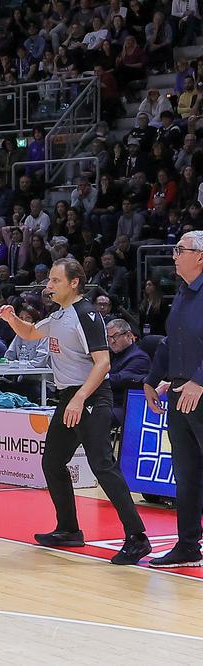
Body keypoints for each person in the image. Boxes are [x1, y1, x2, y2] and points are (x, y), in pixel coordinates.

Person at [0, 259, 151, 565]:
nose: (48, 286)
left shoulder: (87, 315)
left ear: (74, 283)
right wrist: (11, 318)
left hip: (92, 396)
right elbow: (30, 333)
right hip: (70, 396)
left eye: (55, 281)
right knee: (53, 462)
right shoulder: (59, 315)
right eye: (49, 281)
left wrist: (81, 398)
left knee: (102, 466)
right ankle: (69, 529)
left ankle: (137, 538)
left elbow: (104, 363)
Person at [143, 231, 203, 567]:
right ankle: (188, 546)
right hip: (180, 395)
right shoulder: (182, 293)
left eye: (181, 249)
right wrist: (153, 379)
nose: (174, 254)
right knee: (187, 472)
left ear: (201, 256)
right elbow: (170, 342)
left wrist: (199, 381)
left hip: (199, 392)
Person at [107, 318, 152, 426]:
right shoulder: (111, 355)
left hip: (125, 405)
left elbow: (121, 379)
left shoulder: (140, 357)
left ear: (128, 335)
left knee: (93, 416)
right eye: (108, 337)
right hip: (107, 401)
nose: (112, 341)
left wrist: (95, 377)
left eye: (115, 336)